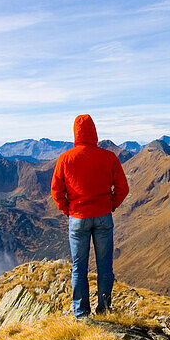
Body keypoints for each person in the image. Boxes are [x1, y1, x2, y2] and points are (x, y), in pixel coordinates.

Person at [50, 114, 130, 319]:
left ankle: (81, 313)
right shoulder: (109, 157)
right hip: (103, 216)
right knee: (105, 266)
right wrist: (110, 205)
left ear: (75, 133)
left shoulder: (65, 158)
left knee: (79, 267)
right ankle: (104, 309)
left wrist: (67, 210)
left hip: (78, 218)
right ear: (94, 131)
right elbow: (122, 187)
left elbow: (56, 191)